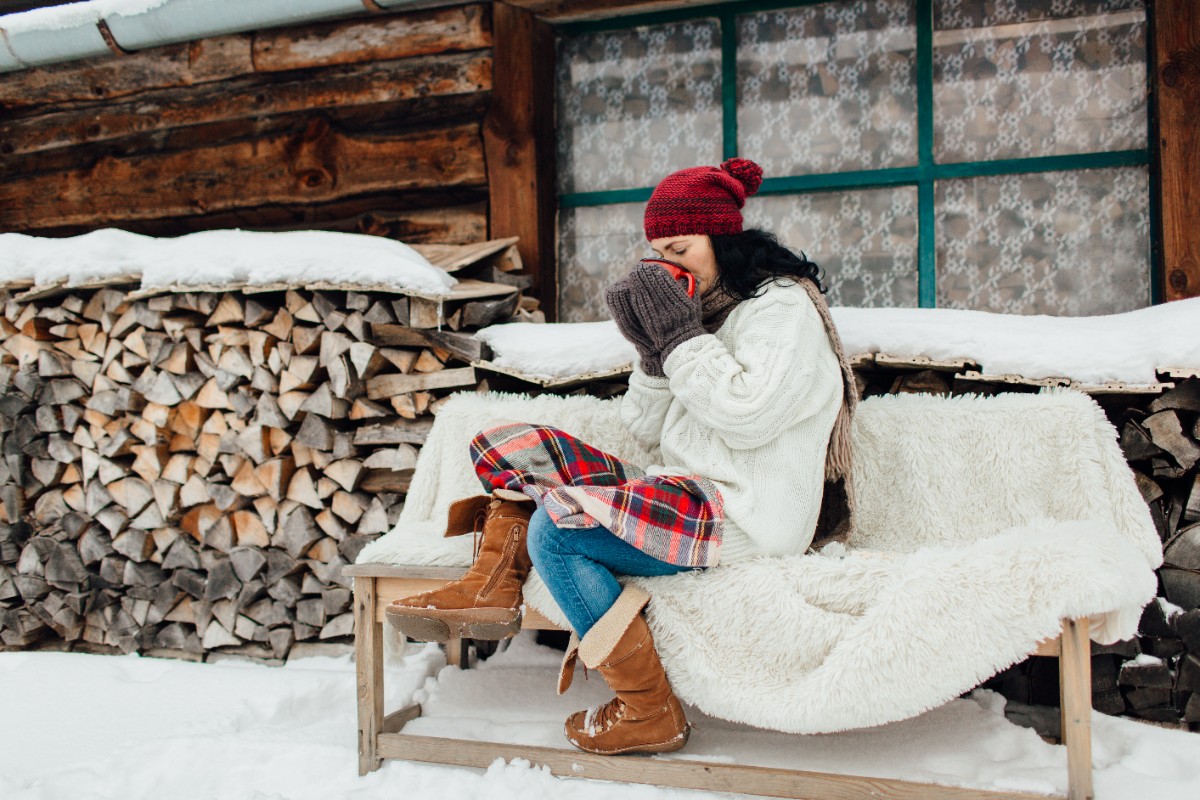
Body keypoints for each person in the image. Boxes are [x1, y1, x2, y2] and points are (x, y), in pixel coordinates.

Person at [386, 157, 859, 757]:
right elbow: (644, 428)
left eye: (681, 247)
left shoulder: (782, 310)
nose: (669, 264)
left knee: (556, 531)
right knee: (509, 448)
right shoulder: (702, 314)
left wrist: (680, 339)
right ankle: (492, 587)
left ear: (724, 240)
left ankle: (648, 709)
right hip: (682, 486)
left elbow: (746, 413)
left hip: (744, 514)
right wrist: (654, 353)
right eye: (659, 251)